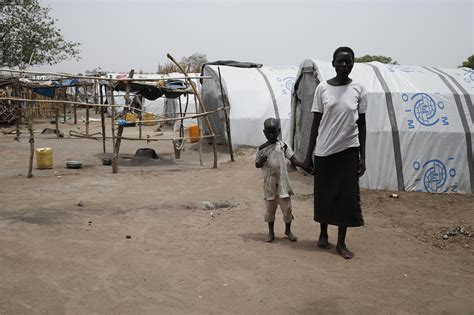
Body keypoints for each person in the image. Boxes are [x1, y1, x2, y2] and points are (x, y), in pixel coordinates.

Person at [302, 46, 367, 259]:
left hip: (348, 150)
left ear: (353, 64)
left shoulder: (359, 89)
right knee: (324, 195)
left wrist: (362, 157)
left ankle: (341, 243)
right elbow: (315, 124)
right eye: (340, 61)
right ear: (333, 63)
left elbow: (362, 125)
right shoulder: (322, 89)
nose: (344, 65)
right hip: (324, 151)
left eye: (348, 61)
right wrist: (308, 155)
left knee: (346, 197)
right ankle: (323, 233)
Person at [256, 118, 302, 243]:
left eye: (274, 132)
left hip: (283, 184)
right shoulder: (262, 149)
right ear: (264, 132)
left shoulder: (283, 146)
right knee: (270, 209)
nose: (271, 135)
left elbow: (293, 159)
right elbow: (257, 164)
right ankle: (271, 232)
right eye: (269, 132)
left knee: (287, 209)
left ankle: (288, 230)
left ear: (279, 131)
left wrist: (304, 164)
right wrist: (261, 161)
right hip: (269, 185)